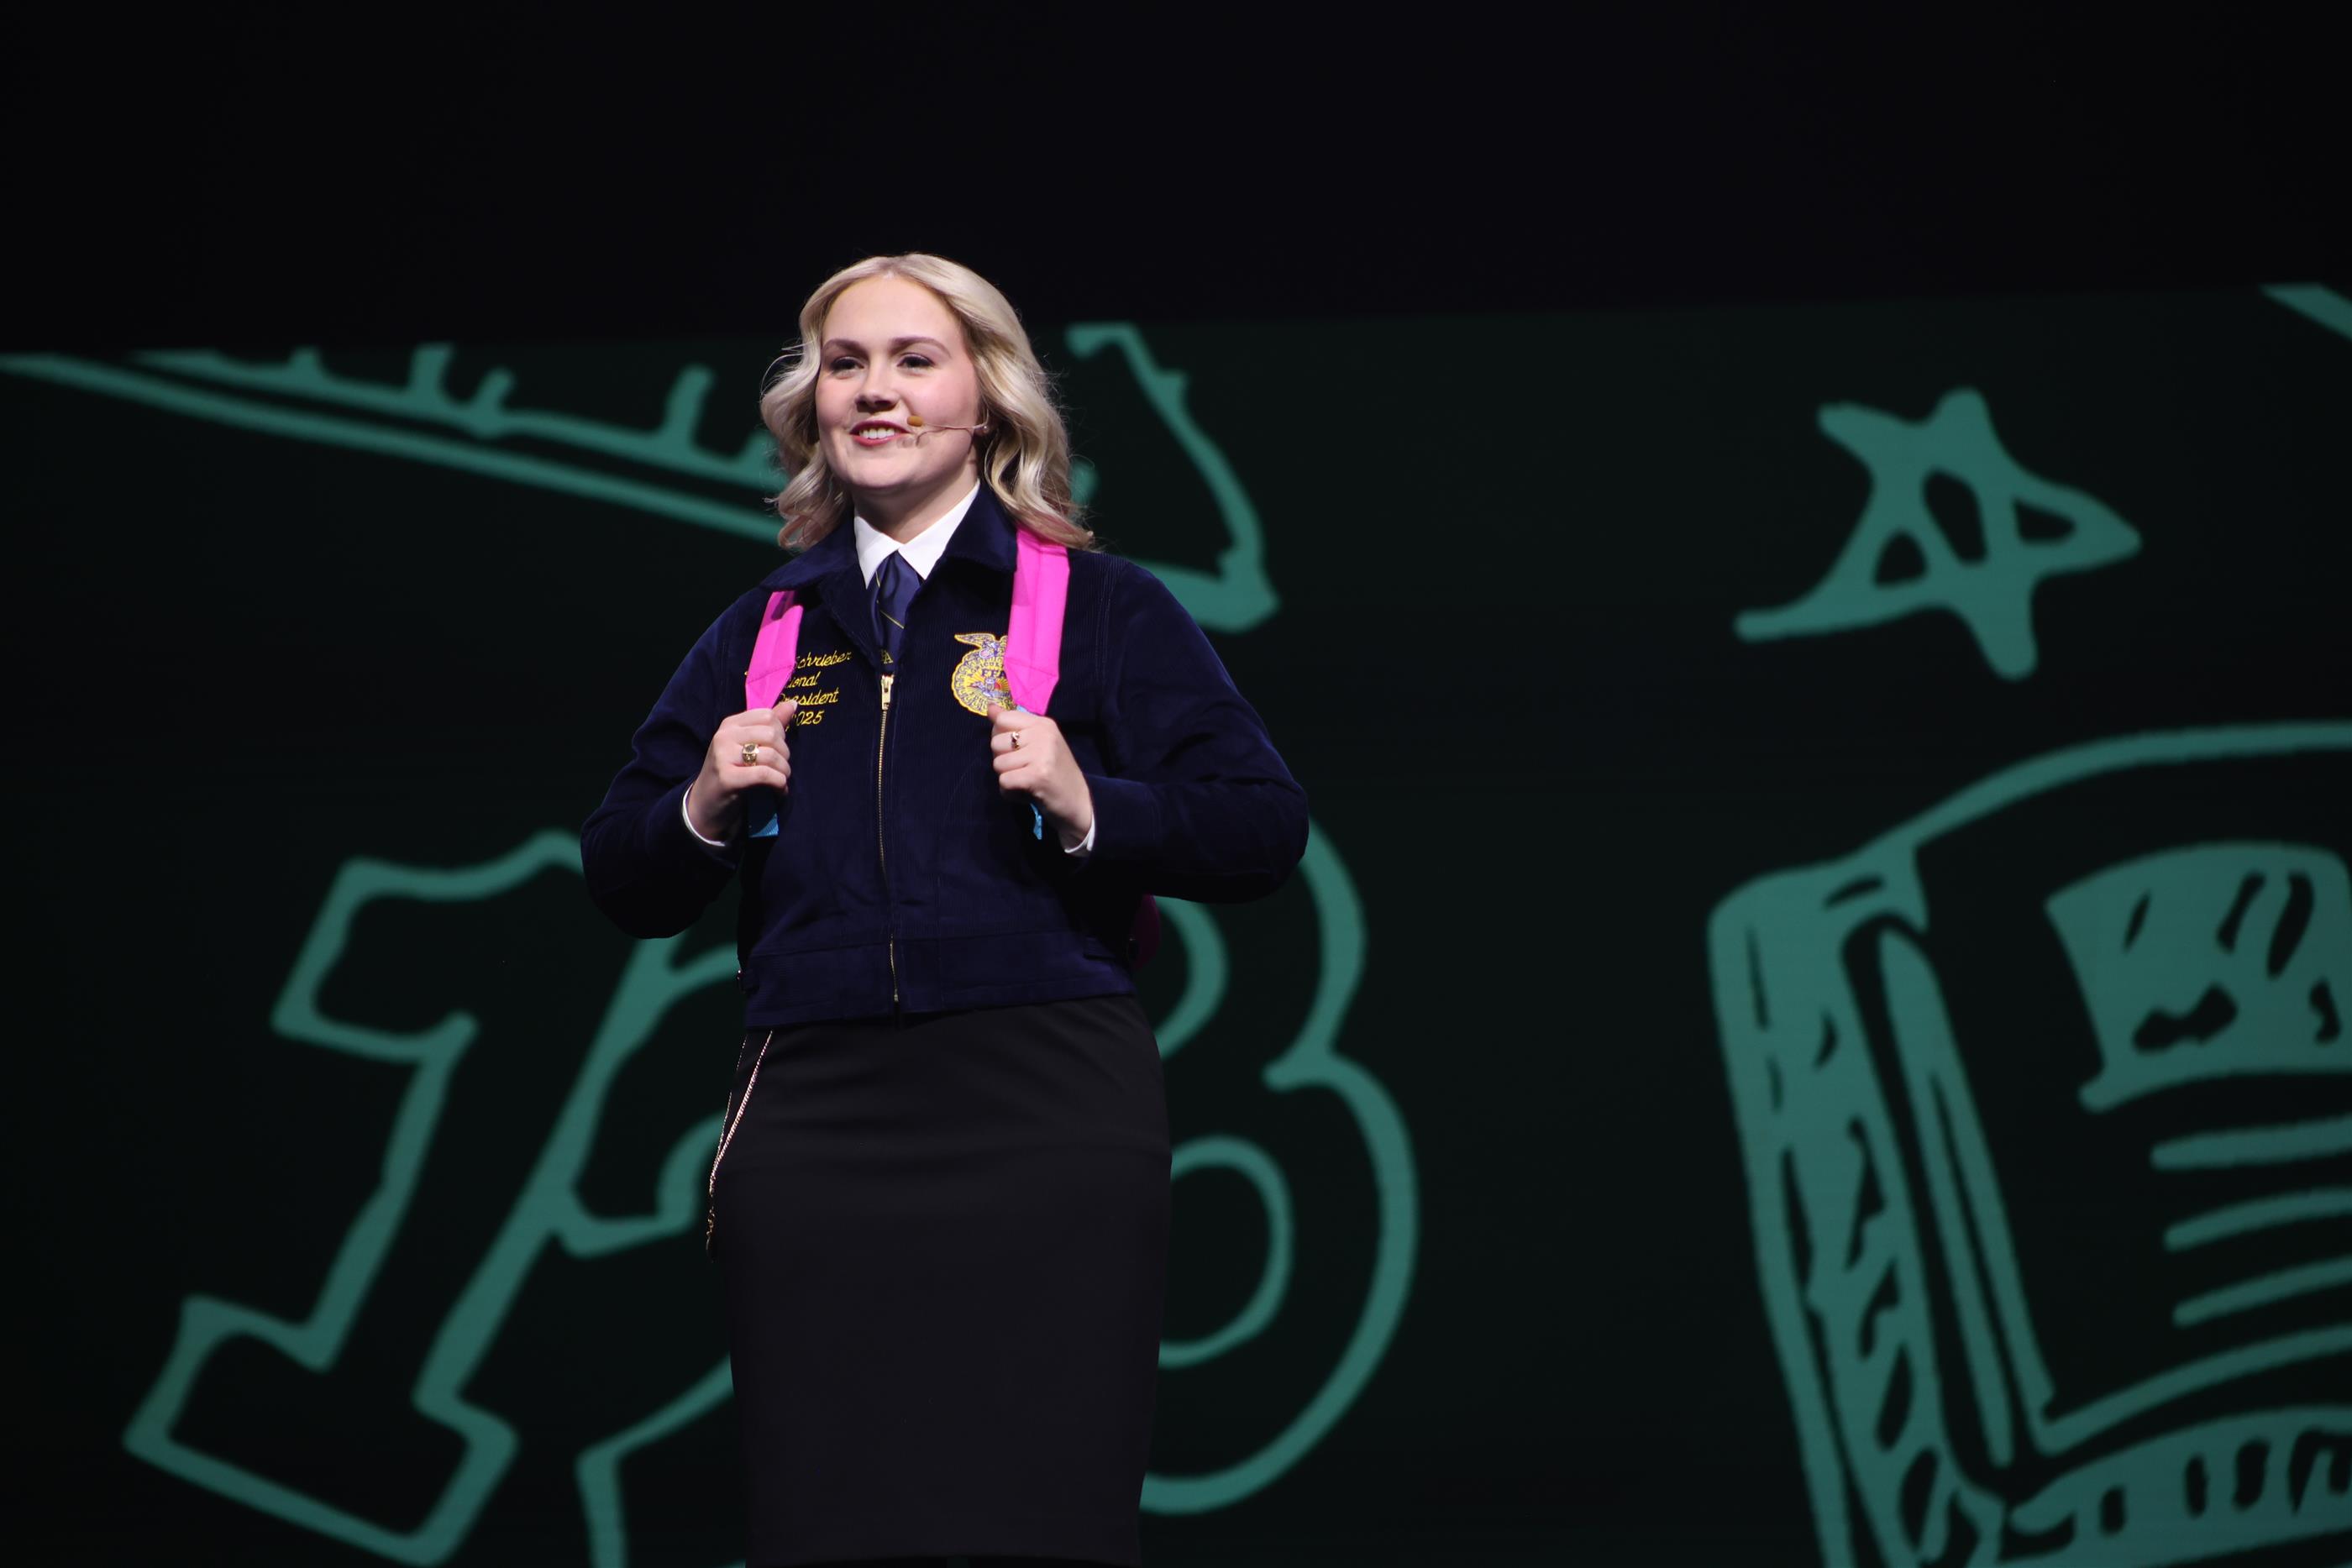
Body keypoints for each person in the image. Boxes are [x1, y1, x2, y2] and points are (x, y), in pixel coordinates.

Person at [580, 252, 1307, 1568]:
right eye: (845, 364)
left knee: (1044, 1522)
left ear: (988, 401)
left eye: (916, 361)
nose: (876, 391)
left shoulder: (1104, 609)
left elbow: (1261, 826)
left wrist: (1089, 802)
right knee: (829, 1526)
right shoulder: (762, 632)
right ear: (811, 406)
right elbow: (622, 874)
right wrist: (701, 802)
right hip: (817, 1109)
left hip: (1044, 1100)